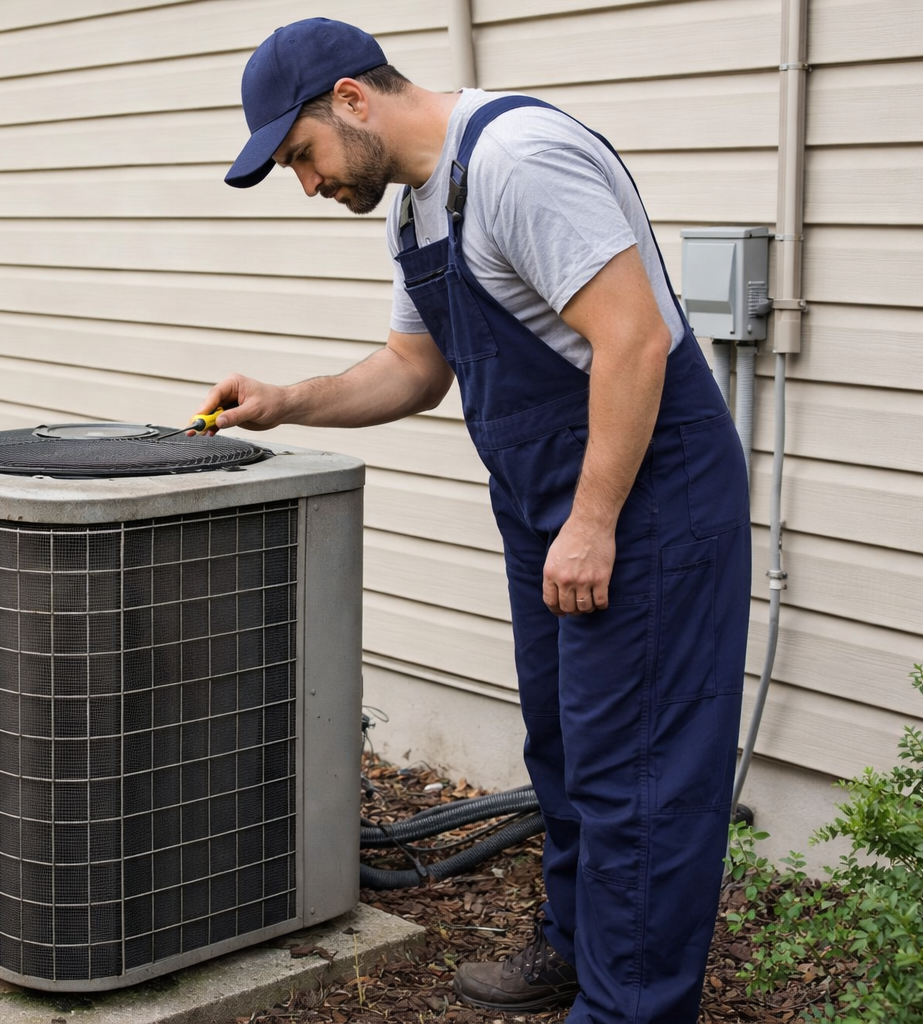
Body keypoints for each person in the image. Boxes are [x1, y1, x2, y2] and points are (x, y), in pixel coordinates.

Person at [206, 18, 752, 1024]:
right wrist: (285, 400)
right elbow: (416, 368)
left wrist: (592, 522)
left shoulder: (518, 163)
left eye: (303, 156)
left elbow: (630, 342)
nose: (309, 183)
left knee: (637, 767)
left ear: (354, 99)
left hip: (644, 497)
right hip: (549, 503)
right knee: (568, 741)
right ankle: (581, 947)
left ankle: (631, 1007)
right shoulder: (417, 208)